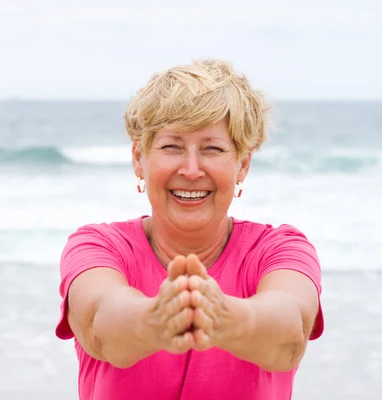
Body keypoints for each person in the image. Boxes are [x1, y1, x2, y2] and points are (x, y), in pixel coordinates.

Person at [54, 59, 324, 400]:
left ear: (242, 164)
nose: (192, 169)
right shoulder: (99, 245)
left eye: (212, 148)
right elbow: (100, 324)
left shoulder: (279, 249)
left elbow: (289, 334)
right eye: (172, 147)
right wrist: (156, 320)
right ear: (139, 158)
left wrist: (225, 319)